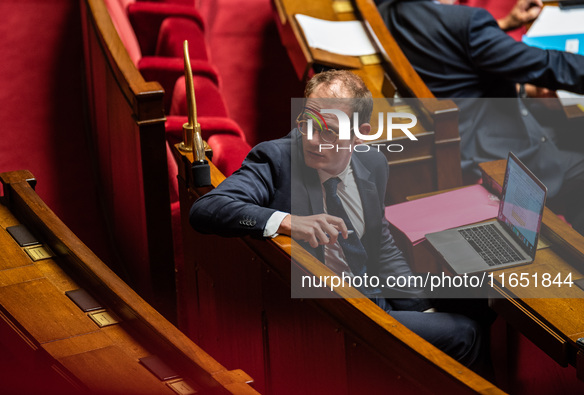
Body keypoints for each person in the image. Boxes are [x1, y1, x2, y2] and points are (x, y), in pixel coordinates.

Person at [190, 70, 490, 371]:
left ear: (360, 134)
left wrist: (422, 310)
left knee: (480, 302)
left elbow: (382, 246)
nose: (312, 139)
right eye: (307, 123)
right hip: (332, 316)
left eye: (329, 131)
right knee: (466, 333)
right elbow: (207, 208)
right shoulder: (276, 159)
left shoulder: (374, 163)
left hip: (372, 295)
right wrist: (286, 221)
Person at [379, 0, 584, 240]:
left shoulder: (389, 8)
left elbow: (447, 47)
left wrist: (503, 25)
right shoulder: (466, 22)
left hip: (466, 139)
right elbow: (552, 65)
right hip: (500, 157)